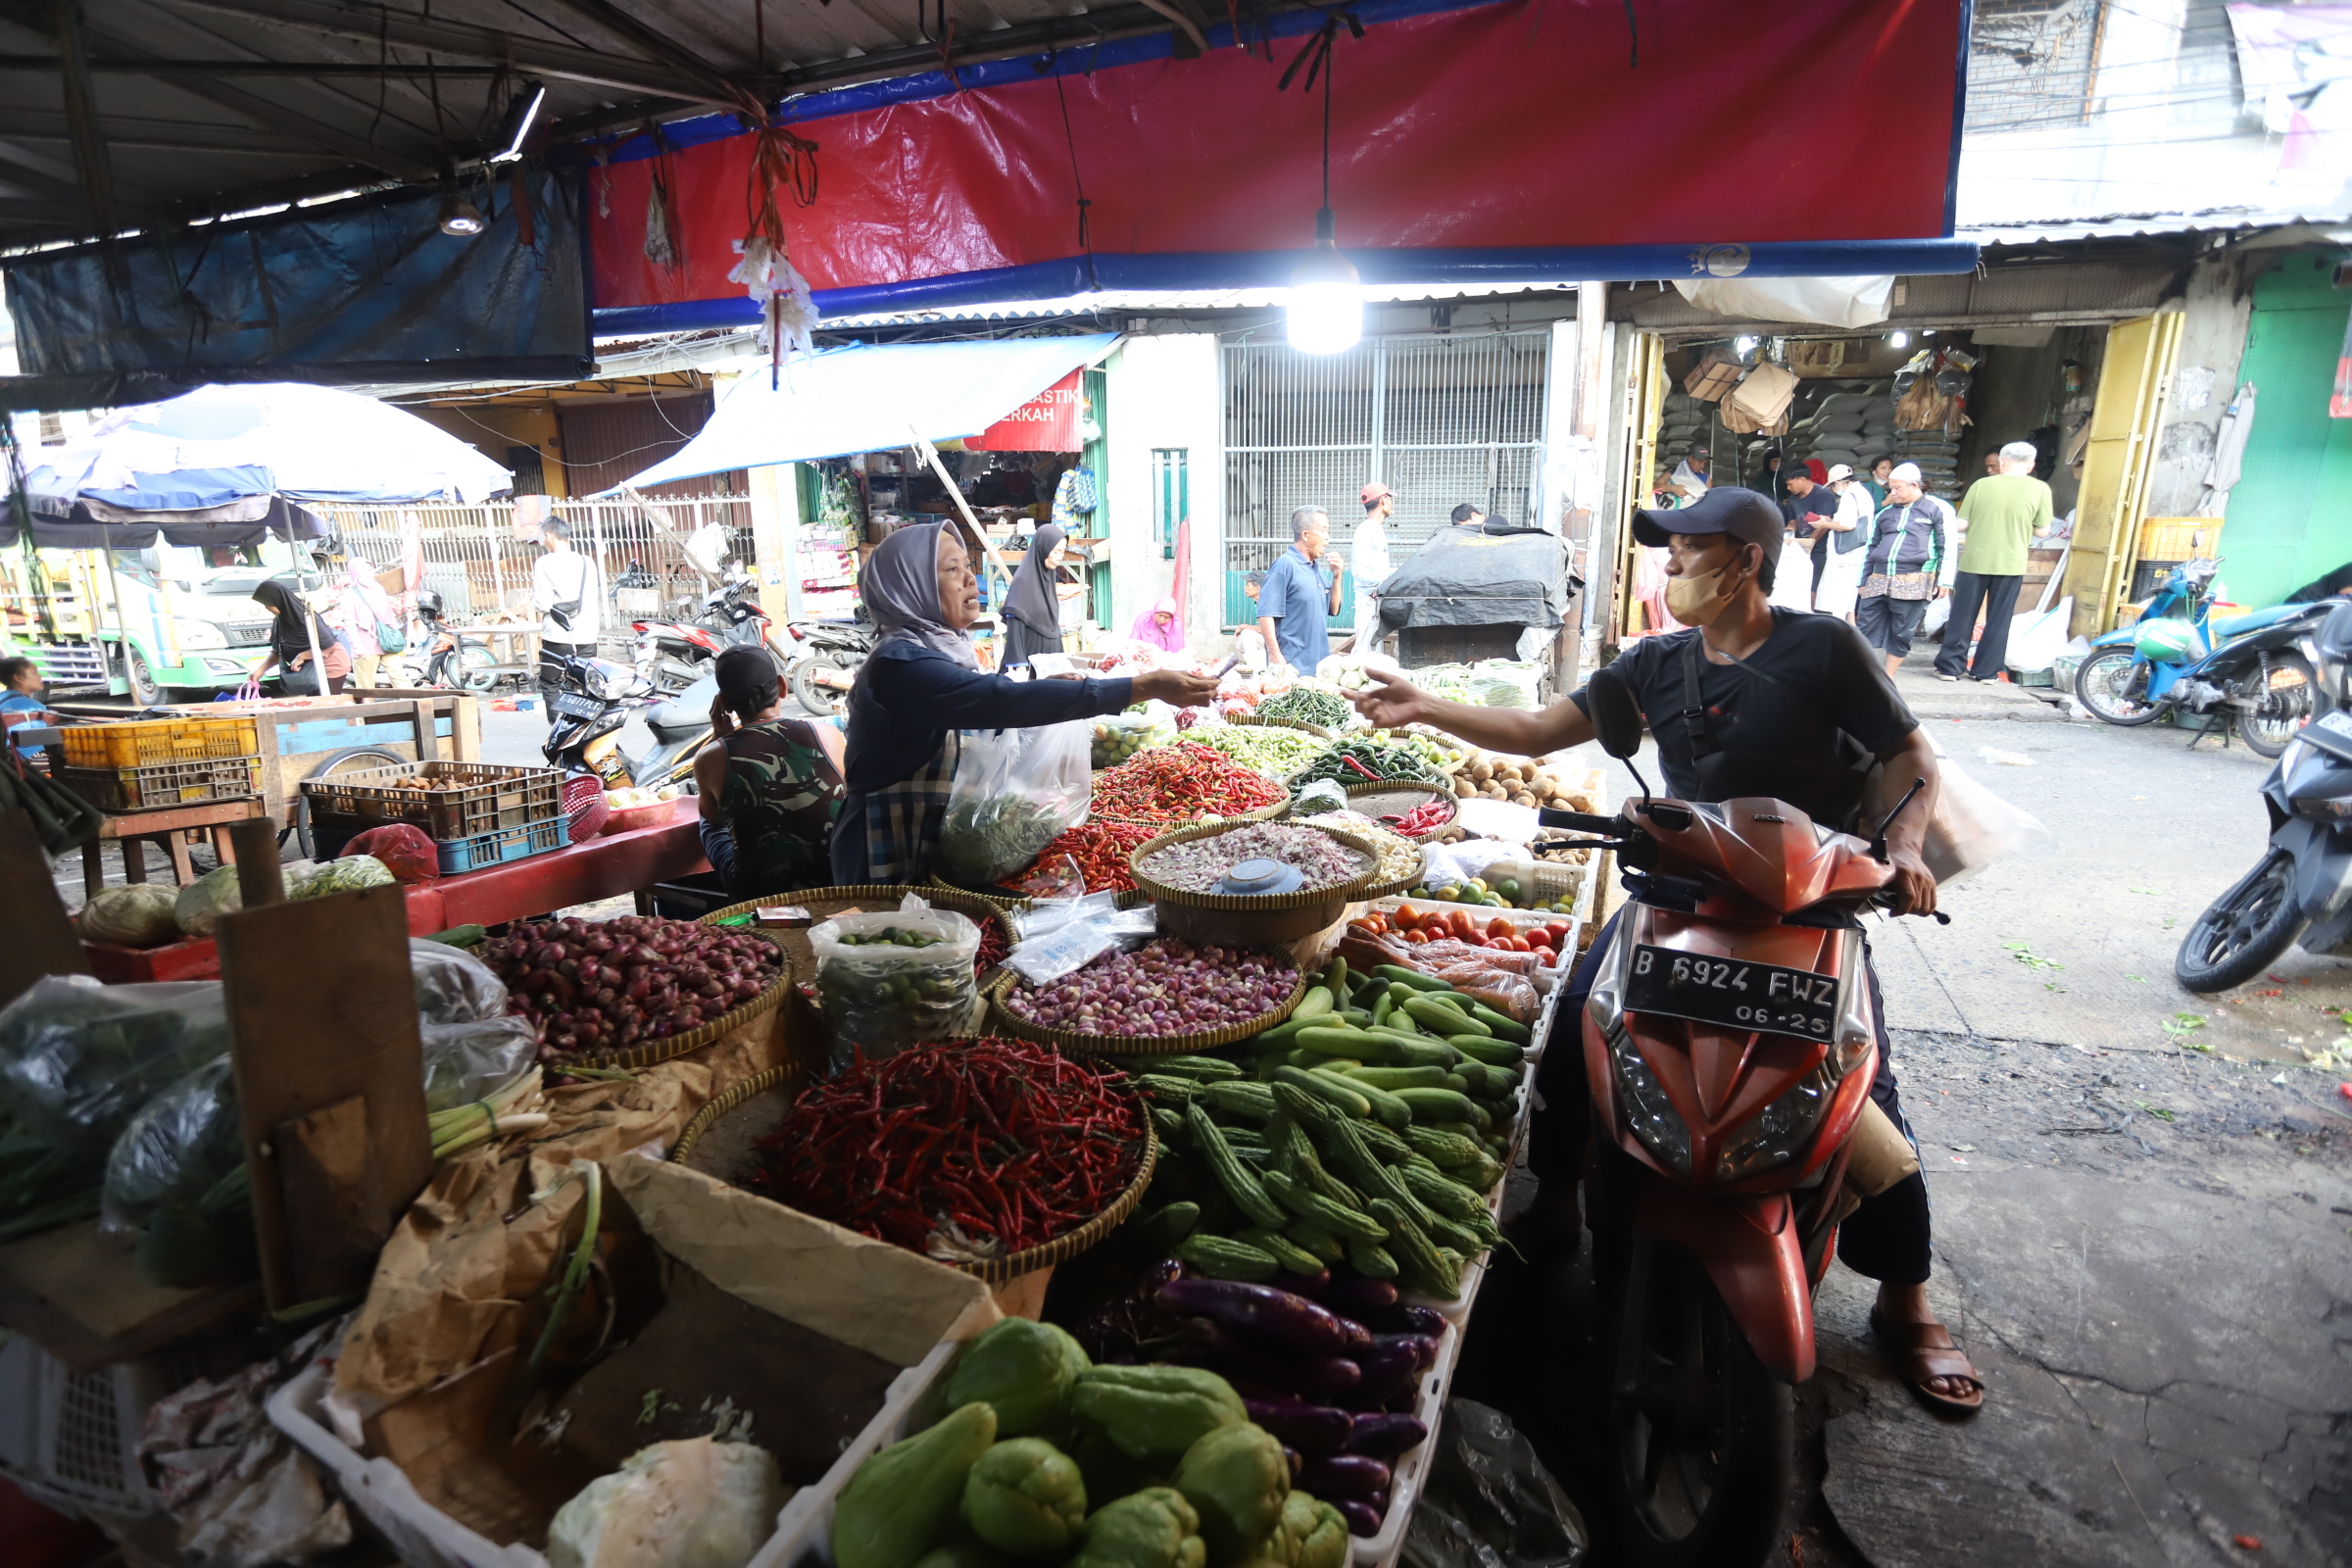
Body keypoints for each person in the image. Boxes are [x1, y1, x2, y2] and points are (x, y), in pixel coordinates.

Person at [1344, 483, 1980, 1415]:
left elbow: (1910, 756)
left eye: (1688, 550)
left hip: (1806, 913)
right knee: (1574, 1028)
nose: (1670, 564)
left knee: (1862, 1096)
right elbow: (1535, 730)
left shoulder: (1823, 649)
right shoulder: (1654, 664)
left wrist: (1907, 847)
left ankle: (1907, 1300)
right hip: (1679, 900)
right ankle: (1559, 1198)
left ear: (1746, 563)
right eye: (1668, 550)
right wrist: (1423, 706)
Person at [832, 522, 1219, 883]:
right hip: (885, 847)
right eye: (952, 569)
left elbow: (978, 705)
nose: (971, 578)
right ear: (909, 585)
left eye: (968, 565)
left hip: (928, 843)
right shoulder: (900, 664)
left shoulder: (943, 650)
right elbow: (992, 701)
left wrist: (1046, 688)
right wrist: (1139, 687)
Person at [695, 646, 847, 896]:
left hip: (762, 893)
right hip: (834, 878)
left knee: (709, 825)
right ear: (782, 686)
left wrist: (721, 739)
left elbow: (716, 818)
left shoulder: (710, 757)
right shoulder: (828, 735)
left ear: (723, 703)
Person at [1938, 440, 2055, 682]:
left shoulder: (1981, 485)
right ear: (2031, 465)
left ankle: (1950, 669)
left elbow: (1961, 524)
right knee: (1999, 619)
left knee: (1962, 615)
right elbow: (2043, 531)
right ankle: (1987, 672)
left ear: (2001, 462)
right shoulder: (2041, 489)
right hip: (2011, 563)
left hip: (1975, 560)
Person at [1854, 463, 1956, 676]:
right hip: (1879, 577)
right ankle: (1864, 676)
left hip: (1914, 579)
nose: (1893, 493)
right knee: (1864, 628)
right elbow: (1870, 547)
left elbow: (1947, 545)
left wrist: (1944, 580)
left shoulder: (1937, 509)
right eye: (1890, 488)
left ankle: (1887, 677)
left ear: (1914, 486)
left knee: (1901, 632)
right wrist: (1862, 580)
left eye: (1897, 488)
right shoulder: (1885, 513)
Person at [1255, 506, 1345, 674]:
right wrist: (1274, 655)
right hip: (1292, 667)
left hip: (1318, 665)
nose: (1327, 538)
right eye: (1323, 531)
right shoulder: (1285, 565)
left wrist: (1337, 577)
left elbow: (1333, 609)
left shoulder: (1315, 568)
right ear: (1305, 535)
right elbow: (1266, 613)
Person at [532, 520, 603, 722]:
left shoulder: (544, 562)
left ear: (548, 536)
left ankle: (559, 730)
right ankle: (588, 728)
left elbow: (544, 604)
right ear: (569, 537)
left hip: (559, 634)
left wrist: (534, 600)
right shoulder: (586, 561)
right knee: (587, 683)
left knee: (550, 681)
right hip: (588, 633)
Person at [249, 578, 349, 695]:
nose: (266, 607)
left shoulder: (305, 616)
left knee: (325, 705)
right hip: (309, 669)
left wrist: (302, 656)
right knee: (313, 706)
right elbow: (278, 651)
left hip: (331, 664)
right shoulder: (279, 621)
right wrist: (260, 670)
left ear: (278, 600)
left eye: (268, 603)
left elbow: (328, 647)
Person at [1003, 523, 1073, 668]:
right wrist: (1019, 664)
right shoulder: (1023, 581)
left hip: (1049, 661)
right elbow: (1014, 621)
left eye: (1062, 551)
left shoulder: (1048, 577)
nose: (1060, 557)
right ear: (1043, 548)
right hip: (1029, 661)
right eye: (1055, 552)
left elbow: (1052, 624)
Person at [1814, 464, 1873, 620]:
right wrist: (1831, 520)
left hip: (1845, 557)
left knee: (1837, 604)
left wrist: (1824, 524)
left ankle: (1839, 639)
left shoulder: (1849, 495)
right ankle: (1852, 638)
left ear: (1838, 483)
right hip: (1856, 555)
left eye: (1832, 486)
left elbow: (1848, 525)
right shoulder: (1863, 492)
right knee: (1849, 604)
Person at [333, 559, 404, 690]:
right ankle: (369, 709)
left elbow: (389, 616)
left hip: (387, 642)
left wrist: (395, 635)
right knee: (366, 686)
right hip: (365, 646)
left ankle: (413, 706)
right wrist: (358, 647)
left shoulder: (379, 589)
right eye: (363, 570)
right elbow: (349, 623)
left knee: (400, 678)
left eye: (370, 569)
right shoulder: (351, 594)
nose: (368, 573)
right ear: (355, 573)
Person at [1781, 463, 1841, 599]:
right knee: (1799, 586)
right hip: (1801, 549)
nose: (1788, 488)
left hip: (1821, 549)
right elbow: (1792, 524)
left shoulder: (1823, 495)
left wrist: (1808, 545)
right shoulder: (1793, 499)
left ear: (1801, 479)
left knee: (1814, 587)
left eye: (1790, 484)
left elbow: (1824, 525)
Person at [1353, 482, 1395, 652]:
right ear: (1383, 500)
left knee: (1373, 656)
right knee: (1364, 656)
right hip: (1368, 602)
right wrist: (1383, 582)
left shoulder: (1375, 529)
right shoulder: (1366, 530)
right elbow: (1359, 572)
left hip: (1375, 603)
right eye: (1390, 499)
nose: (1392, 503)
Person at [0, 656, 59, 758]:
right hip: (20, 764)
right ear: (18, 678)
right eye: (34, 673)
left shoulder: (3, 697)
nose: (40, 676)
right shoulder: (28, 706)